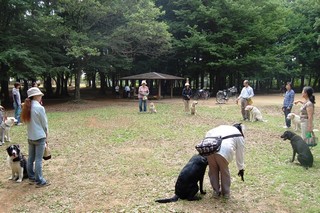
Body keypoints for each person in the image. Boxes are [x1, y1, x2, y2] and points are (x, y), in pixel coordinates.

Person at [205, 124, 245, 199]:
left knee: (213, 170)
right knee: (224, 171)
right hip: (224, 150)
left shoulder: (222, 127)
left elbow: (208, 134)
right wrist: (241, 168)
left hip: (209, 147)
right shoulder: (238, 134)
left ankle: (216, 192)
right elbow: (240, 153)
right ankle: (226, 193)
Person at [21, 87, 50, 187]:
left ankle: (32, 177)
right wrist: (46, 136)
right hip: (40, 136)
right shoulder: (39, 108)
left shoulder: (26, 107)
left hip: (31, 137)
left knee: (31, 158)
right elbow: (44, 124)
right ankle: (40, 181)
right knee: (38, 160)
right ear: (36, 96)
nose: (41, 97)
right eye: (40, 95)